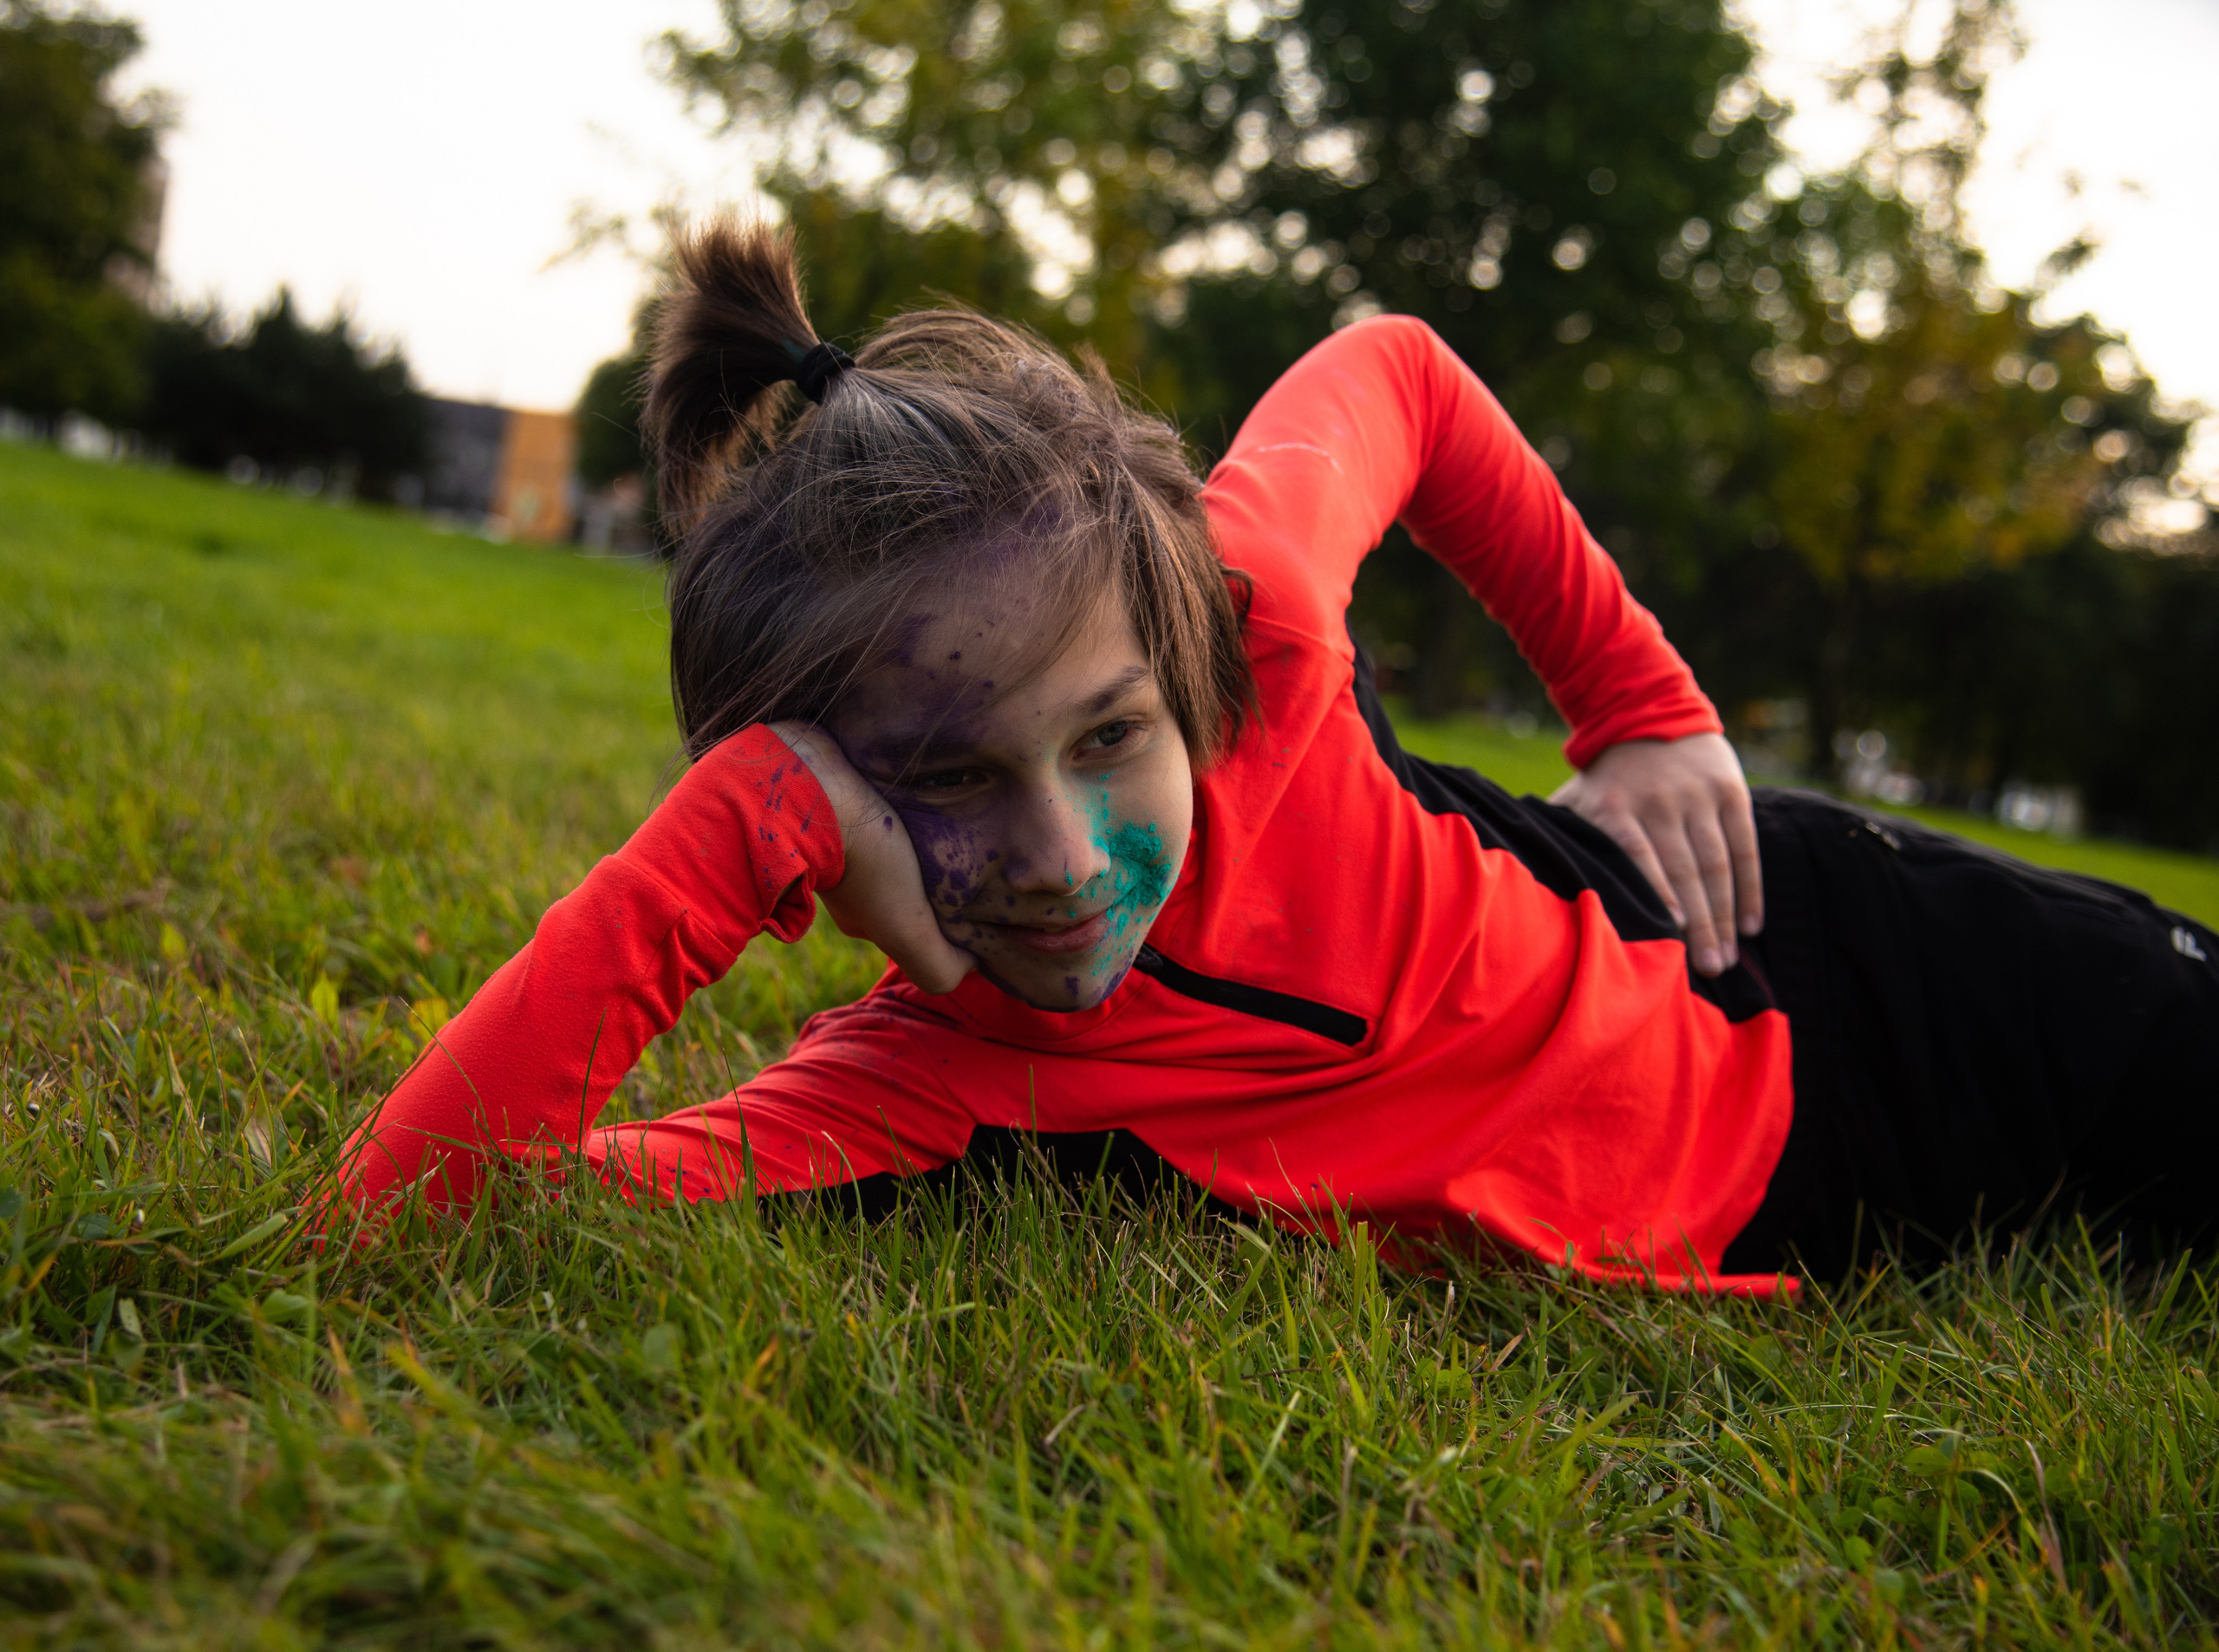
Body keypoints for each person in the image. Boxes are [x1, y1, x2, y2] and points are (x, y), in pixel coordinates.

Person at [333, 220, 2219, 1290]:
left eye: (1107, 740)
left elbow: (1394, 363)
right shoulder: (911, 1086)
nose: (1063, 853)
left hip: (1830, 968)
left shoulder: (1249, 622)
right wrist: (732, 826)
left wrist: (1634, 700)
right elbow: (412, 1210)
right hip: (1821, 1216)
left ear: (1181, 671)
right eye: (945, 780)